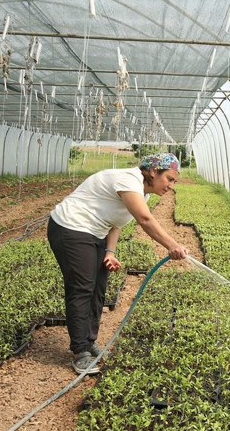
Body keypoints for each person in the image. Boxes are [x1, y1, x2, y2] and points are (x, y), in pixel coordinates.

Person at [47, 152, 188, 374]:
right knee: (82, 287)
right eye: (169, 178)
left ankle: (89, 341)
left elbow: (117, 222)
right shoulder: (128, 180)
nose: (170, 185)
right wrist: (172, 244)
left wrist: (110, 252)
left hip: (95, 232)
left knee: (98, 287)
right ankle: (79, 351)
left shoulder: (143, 193)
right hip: (70, 227)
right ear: (153, 171)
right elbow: (144, 219)